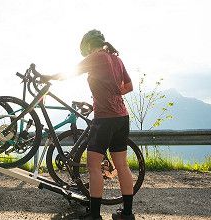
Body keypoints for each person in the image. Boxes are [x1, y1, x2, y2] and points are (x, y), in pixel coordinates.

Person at [49, 29, 134, 220]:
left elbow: (68, 73)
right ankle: (127, 214)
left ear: (88, 46)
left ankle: (94, 215)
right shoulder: (116, 59)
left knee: (93, 166)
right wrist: (111, 93)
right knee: (121, 165)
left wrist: (46, 77)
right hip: (122, 117)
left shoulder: (96, 56)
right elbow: (129, 87)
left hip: (104, 119)